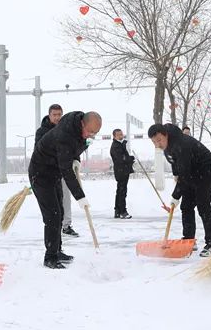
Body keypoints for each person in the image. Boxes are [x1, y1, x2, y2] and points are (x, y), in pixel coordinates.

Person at [30, 111, 102, 268]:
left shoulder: (80, 131)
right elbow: (66, 171)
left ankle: (57, 250)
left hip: (54, 173)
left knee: (60, 213)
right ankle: (50, 257)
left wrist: (76, 159)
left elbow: (75, 149)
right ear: (82, 123)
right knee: (52, 216)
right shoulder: (65, 135)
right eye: (90, 131)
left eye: (95, 133)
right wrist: (80, 196)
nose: (91, 135)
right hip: (41, 174)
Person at [148, 123, 211, 257]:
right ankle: (189, 240)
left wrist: (176, 195)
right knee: (186, 207)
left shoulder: (182, 144)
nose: (157, 144)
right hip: (191, 173)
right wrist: (177, 183)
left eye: (159, 140)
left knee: (203, 206)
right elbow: (176, 165)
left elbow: (184, 173)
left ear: (166, 135)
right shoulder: (167, 145)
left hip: (206, 172)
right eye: (154, 142)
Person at [35, 104, 79, 238]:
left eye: (59, 114)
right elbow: (39, 151)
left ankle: (66, 225)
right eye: (54, 115)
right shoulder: (42, 132)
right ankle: (55, 227)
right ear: (49, 115)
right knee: (53, 203)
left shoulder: (67, 130)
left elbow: (74, 147)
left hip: (64, 170)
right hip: (49, 172)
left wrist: (76, 160)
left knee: (66, 198)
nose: (57, 117)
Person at [110, 128, 134, 219]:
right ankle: (122, 212)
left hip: (123, 171)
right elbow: (121, 159)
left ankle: (117, 211)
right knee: (122, 192)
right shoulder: (115, 146)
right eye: (119, 134)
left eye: (122, 134)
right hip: (121, 171)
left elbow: (124, 157)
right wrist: (130, 159)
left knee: (120, 191)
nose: (121, 136)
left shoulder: (120, 144)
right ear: (114, 136)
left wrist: (129, 159)